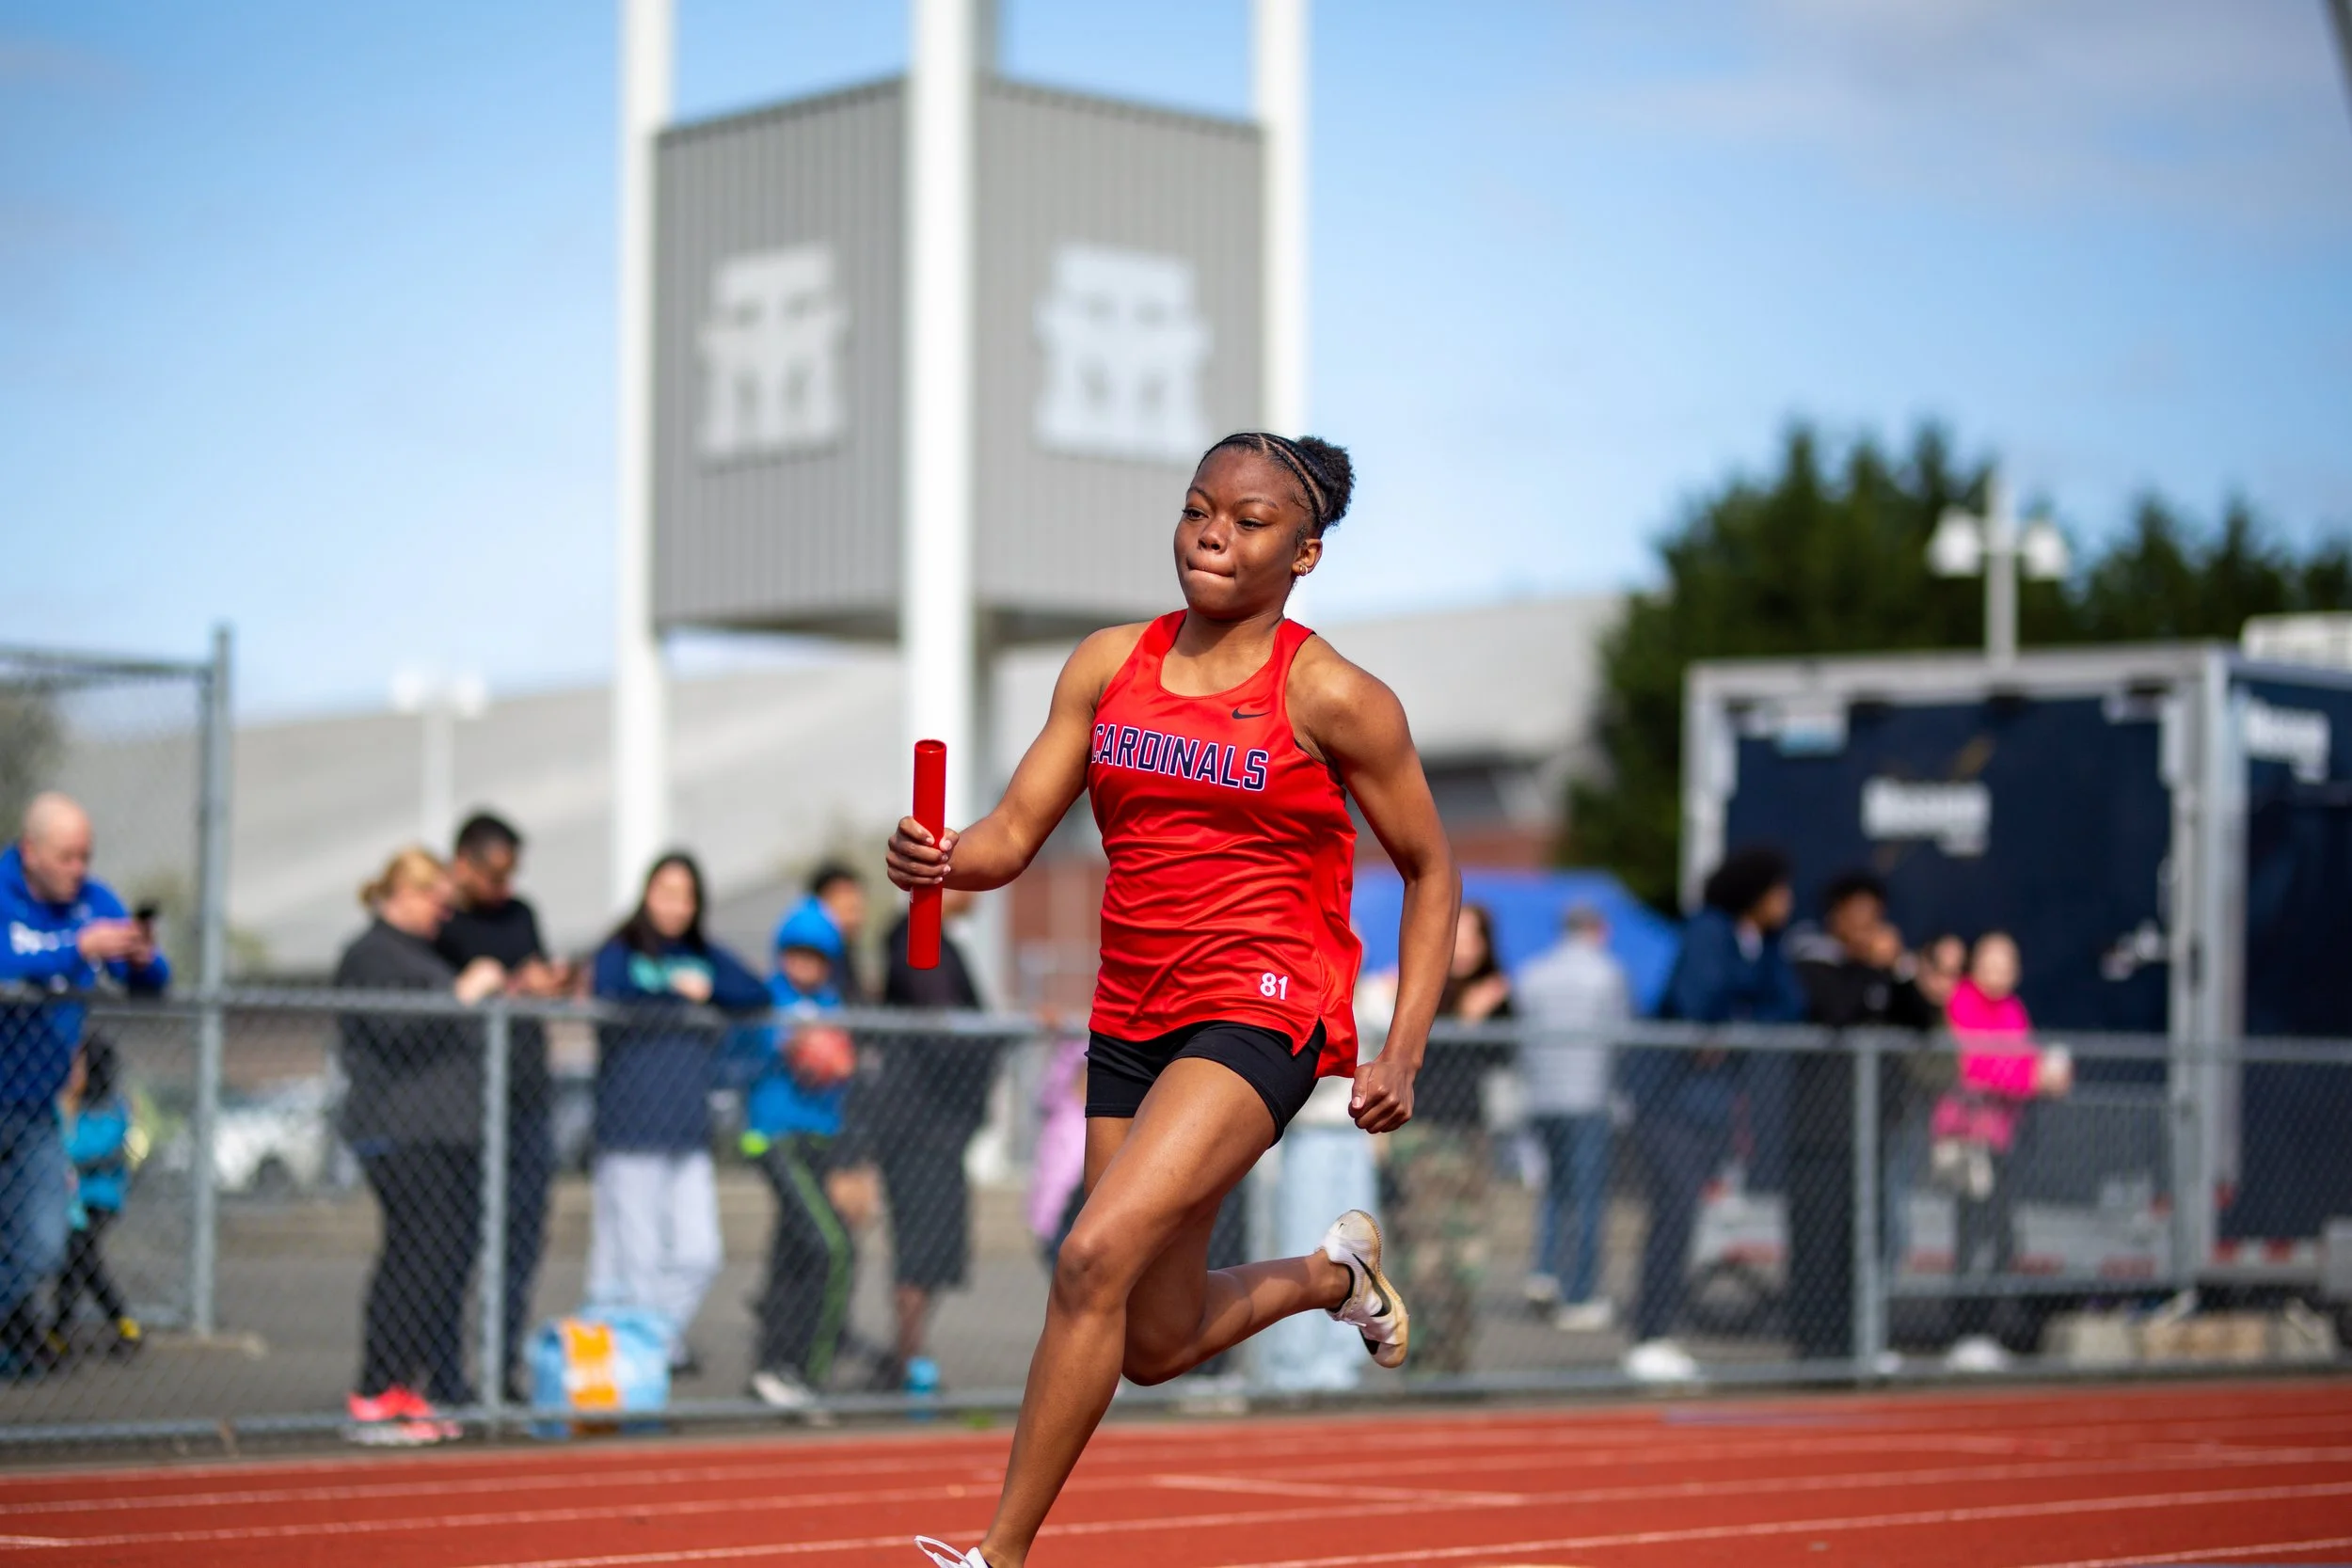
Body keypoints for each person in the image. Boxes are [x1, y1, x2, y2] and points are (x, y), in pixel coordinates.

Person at [891, 431, 1456, 1568]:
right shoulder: (1109, 663)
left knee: (1090, 1252)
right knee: (1149, 1336)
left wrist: (1401, 1047)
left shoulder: (1333, 694)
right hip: (1132, 1014)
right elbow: (1011, 835)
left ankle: (997, 1554)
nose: (1213, 532)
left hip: (1261, 1008)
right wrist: (945, 856)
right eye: (1200, 508)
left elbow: (1432, 870)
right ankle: (1331, 1275)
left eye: (1248, 522)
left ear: (1303, 555)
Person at [333, 846, 507, 1442]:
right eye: (435, 899)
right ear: (404, 893)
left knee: (442, 1262)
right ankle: (375, 1391)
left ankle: (408, 1389)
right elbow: (393, 1029)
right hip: (402, 1132)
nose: (443, 912)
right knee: (411, 1257)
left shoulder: (422, 952)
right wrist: (462, 995)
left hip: (449, 1132)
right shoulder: (369, 954)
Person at [0, 793, 168, 1377]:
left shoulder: (93, 903)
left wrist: (142, 957)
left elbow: (150, 983)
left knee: (43, 1243)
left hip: (33, 1108)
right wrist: (77, 948)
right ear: (30, 852)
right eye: (66, 857)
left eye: (85, 857)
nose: (79, 870)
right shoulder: (4, 893)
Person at [1622, 845, 1804, 1385]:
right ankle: (1648, 1333)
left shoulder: (1763, 943)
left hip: (1711, 1102)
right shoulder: (1709, 931)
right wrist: (1740, 1012)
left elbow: (1787, 1005)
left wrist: (1741, 1015)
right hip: (1667, 1098)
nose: (1787, 902)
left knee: (1689, 1211)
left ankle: (1660, 1333)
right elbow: (1697, 1000)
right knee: (1674, 1208)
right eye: (1778, 891)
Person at [588, 852, 768, 1375]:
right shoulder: (621, 949)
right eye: (665, 892)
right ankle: (631, 1369)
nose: (674, 905)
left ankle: (647, 1347)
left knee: (699, 1253)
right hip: (629, 1131)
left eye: (685, 895)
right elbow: (610, 992)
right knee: (634, 1263)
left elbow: (754, 993)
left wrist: (707, 990)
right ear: (647, 894)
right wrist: (672, 992)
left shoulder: (704, 955)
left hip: (686, 1131)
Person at [434, 810, 569, 1402]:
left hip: (527, 1097)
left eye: (513, 874)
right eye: (494, 874)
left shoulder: (522, 914)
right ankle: (445, 1376)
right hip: (464, 1104)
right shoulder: (441, 922)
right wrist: (510, 985)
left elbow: (529, 975)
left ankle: (500, 1368)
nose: (505, 888)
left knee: (522, 1241)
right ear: (463, 864)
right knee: (455, 1246)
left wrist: (544, 983)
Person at [1786, 869, 1937, 1362]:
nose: (1866, 925)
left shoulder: (1885, 967)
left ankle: (1861, 1337)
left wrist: (1900, 968)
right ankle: (1816, 1344)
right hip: (1821, 1128)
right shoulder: (1813, 958)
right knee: (1819, 1237)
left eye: (1874, 914)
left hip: (1876, 1126)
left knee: (1869, 1237)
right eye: (1856, 913)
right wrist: (1867, 965)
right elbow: (1837, 1010)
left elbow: (1921, 1019)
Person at [732, 898, 870, 1414]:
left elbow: (845, 1071)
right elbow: (741, 1055)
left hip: (821, 1142)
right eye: (795, 953)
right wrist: (793, 1044)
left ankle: (774, 1366)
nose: (804, 965)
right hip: (773, 1138)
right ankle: (807, 1376)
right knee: (832, 1246)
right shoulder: (766, 998)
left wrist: (833, 1057)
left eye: (815, 955)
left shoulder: (834, 1003)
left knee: (793, 1252)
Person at [873, 888, 999, 1392]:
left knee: (936, 1248)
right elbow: (945, 1027)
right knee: (918, 1248)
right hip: (917, 1126)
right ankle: (909, 1359)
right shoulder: (915, 941)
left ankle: (907, 1354)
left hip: (944, 1127)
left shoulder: (943, 944)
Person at [1935, 930, 2070, 1372]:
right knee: (1973, 1233)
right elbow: (1973, 1063)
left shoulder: (2012, 1009)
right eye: (1992, 962)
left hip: (2002, 1137)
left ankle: (1987, 1330)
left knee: (2000, 1235)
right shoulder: (1961, 1001)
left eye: (2008, 963)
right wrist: (2028, 1078)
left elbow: (2023, 1059)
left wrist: (2046, 1075)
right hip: (1966, 1139)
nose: (2000, 972)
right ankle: (1965, 1331)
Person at [1385, 902, 1511, 1374]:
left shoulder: (1496, 994)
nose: (1465, 945)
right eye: (1457, 934)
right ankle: (1419, 1363)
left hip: (1470, 1134)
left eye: (1474, 935)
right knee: (1424, 1253)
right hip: (1424, 1134)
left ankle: (1455, 1361)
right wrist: (1467, 1015)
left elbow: (1507, 1057)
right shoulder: (1423, 986)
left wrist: (1486, 1013)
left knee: (1468, 1256)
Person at [1514, 902, 1629, 1334]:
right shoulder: (1607, 972)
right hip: (1588, 1096)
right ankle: (1579, 1294)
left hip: (1543, 1095)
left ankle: (1544, 1272)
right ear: (1596, 929)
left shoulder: (1533, 972)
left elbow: (1522, 1041)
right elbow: (1619, 1037)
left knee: (1553, 1190)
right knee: (1587, 1196)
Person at [52, 1036, 138, 1359]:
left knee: (80, 1256)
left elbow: (87, 1150)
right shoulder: (70, 1103)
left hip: (99, 1198)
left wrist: (67, 1158)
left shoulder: (113, 1107)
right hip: (71, 1198)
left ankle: (118, 1323)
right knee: (77, 1261)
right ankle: (62, 1331)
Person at [786, 863, 869, 1000]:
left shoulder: (846, 951)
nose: (856, 918)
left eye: (858, 910)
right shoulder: (807, 949)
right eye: (849, 909)